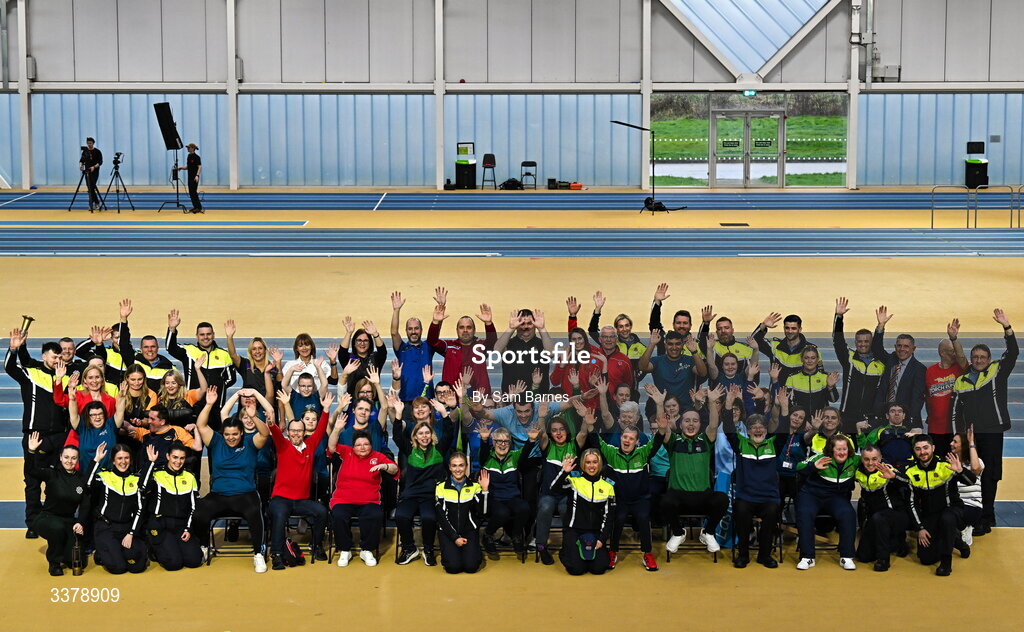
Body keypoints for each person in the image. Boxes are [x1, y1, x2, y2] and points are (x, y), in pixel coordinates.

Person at [951, 308, 1017, 535]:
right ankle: (973, 514)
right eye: (975, 357)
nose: (979, 360)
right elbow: (956, 412)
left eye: (982, 357)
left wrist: (1006, 327)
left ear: (989, 360)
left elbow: (1014, 352)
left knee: (990, 475)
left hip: (992, 432)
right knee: (971, 473)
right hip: (971, 436)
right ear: (971, 359)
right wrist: (958, 435)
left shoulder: (997, 372)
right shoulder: (961, 381)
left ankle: (987, 517)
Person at [193, 387, 272, 573]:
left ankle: (258, 554)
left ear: (241, 433)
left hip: (245, 494)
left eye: (235, 434)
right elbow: (201, 425)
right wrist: (209, 404)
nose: (230, 438)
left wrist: (253, 416)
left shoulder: (250, 443)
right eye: (227, 434)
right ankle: (204, 547)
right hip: (219, 494)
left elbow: (265, 434)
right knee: (199, 511)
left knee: (255, 511)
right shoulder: (216, 441)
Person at [8, 328, 67, 538]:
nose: (58, 360)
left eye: (60, 356)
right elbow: (10, 368)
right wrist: (14, 349)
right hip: (35, 437)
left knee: (57, 481)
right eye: (54, 356)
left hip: (60, 437)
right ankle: (33, 523)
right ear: (44, 357)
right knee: (32, 482)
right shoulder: (32, 374)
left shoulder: (66, 378)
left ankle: (55, 518)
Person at [590, 414, 666, 571]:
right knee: (617, 519)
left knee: (644, 518)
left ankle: (647, 553)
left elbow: (657, 442)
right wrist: (590, 425)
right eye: (625, 437)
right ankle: (613, 551)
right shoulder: (611, 453)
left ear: (637, 442)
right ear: (621, 438)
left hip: (640, 499)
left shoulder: (643, 452)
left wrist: (662, 429)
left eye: (631, 439)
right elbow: (596, 442)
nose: (627, 440)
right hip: (620, 500)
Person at [266, 393, 333, 570]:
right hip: (281, 499)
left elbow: (320, 429)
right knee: (279, 515)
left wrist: (326, 409)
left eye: (299, 431)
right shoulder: (283, 445)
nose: (296, 434)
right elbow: (274, 431)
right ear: (288, 432)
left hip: (302, 500)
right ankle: (277, 555)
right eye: (293, 430)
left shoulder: (310, 445)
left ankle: (317, 545)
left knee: (321, 511)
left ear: (304, 433)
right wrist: (271, 423)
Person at [659, 385, 727, 555]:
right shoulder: (674, 441)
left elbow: (713, 424)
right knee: (664, 500)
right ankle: (678, 532)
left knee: (722, 499)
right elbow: (662, 426)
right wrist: (660, 404)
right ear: (680, 424)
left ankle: (708, 532)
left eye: (695, 421)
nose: (691, 424)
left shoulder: (705, 440)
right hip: (678, 497)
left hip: (702, 496)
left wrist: (711, 402)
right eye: (687, 421)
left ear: (699, 424)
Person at [902, 434, 975, 575]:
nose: (922, 452)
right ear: (914, 451)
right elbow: (911, 503)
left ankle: (946, 563)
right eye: (918, 449)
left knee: (947, 519)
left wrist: (960, 471)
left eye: (925, 448)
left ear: (933, 448)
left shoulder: (946, 464)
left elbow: (971, 482)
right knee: (926, 559)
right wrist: (920, 528)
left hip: (952, 510)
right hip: (930, 515)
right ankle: (958, 542)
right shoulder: (910, 471)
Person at [327, 428, 399, 568]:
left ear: (371, 445)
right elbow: (331, 446)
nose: (362, 447)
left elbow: (394, 469)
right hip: (343, 499)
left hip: (369, 501)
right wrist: (336, 429)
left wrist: (384, 466)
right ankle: (345, 549)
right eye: (358, 445)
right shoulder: (346, 452)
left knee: (374, 514)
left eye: (366, 444)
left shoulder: (377, 456)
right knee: (339, 514)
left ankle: (366, 550)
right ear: (353, 447)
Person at [393, 413, 458, 566]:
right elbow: (396, 437)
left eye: (427, 433)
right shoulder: (410, 450)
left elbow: (449, 432)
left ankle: (428, 550)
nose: (424, 436)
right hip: (410, 495)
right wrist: (397, 415)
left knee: (429, 518)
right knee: (402, 515)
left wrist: (444, 414)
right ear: (415, 436)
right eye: (420, 433)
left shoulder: (439, 450)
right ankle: (409, 549)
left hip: (430, 496)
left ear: (431, 435)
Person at [26, 432, 94, 576]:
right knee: (57, 528)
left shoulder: (81, 479)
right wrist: (31, 452)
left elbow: (85, 504)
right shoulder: (52, 474)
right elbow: (31, 471)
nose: (70, 461)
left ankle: (63, 552)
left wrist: (80, 523)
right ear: (61, 458)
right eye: (67, 457)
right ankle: (54, 563)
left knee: (76, 560)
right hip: (47, 518)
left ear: (77, 460)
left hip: (68, 520)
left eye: (73, 458)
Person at [726, 411, 787, 569]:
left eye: (761, 427)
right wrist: (727, 407)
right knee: (740, 510)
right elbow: (727, 428)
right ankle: (743, 555)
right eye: (754, 427)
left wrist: (785, 410)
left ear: (766, 430)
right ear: (748, 431)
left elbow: (784, 431)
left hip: (768, 498)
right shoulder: (741, 444)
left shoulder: (773, 444)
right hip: (746, 498)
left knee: (773, 511)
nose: (758, 430)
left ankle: (764, 555)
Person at [79, 443, 148, 574]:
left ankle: (116, 550)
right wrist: (96, 460)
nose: (123, 462)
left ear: (131, 460)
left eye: (126, 458)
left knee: (137, 567)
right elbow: (86, 485)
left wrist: (131, 533)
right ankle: (101, 553)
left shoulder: (135, 480)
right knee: (119, 568)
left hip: (126, 528)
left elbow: (140, 509)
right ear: (113, 461)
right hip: (106, 528)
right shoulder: (104, 477)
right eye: (120, 458)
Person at [794, 434, 858, 570]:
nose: (842, 452)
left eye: (844, 449)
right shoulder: (820, 457)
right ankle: (807, 557)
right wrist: (813, 466)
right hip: (811, 495)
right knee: (804, 513)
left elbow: (872, 462)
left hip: (835, 497)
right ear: (831, 450)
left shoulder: (855, 460)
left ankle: (846, 556)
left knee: (848, 514)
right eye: (838, 449)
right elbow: (799, 466)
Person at [140, 442, 203, 571]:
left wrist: (188, 528)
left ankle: (174, 546)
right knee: (174, 564)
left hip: (180, 526)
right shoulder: (157, 474)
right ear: (168, 456)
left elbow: (193, 506)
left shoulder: (190, 477)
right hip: (160, 524)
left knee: (194, 561)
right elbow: (142, 487)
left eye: (181, 458)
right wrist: (151, 463)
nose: (178, 462)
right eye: (175, 457)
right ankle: (153, 547)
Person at [552, 450, 616, 575]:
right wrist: (564, 472)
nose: (591, 466)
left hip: (596, 532)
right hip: (574, 530)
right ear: (583, 464)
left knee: (599, 569)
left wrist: (602, 539)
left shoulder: (608, 485)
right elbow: (554, 489)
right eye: (588, 462)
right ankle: (566, 550)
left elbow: (609, 516)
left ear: (599, 463)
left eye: (594, 462)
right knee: (576, 570)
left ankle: (585, 555)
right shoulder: (574, 480)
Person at [476, 425, 535, 558]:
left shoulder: (514, 456)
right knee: (502, 512)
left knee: (525, 508)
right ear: (494, 442)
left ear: (510, 443)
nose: (502, 445)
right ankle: (488, 534)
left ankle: (515, 535)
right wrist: (484, 440)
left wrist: (531, 440)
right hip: (494, 498)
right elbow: (483, 452)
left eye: (506, 441)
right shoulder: (486, 457)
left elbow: (525, 452)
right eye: (499, 441)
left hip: (512, 497)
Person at [426, 288, 497, 395]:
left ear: (474, 330)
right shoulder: (449, 346)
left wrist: (488, 324)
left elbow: (492, 343)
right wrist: (436, 322)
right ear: (457, 330)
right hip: (452, 398)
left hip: (479, 399)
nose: (465, 330)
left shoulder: (481, 346)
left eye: (469, 327)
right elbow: (432, 342)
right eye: (461, 327)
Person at [832, 298, 886, 433]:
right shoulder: (849, 358)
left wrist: (880, 327)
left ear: (871, 342)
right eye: (860, 342)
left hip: (871, 417)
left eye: (866, 341)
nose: (863, 344)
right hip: (847, 416)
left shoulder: (881, 363)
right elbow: (837, 340)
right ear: (855, 343)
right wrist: (839, 317)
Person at [569, 292, 646, 385]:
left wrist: (637, 377)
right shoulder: (610, 342)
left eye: (627, 326)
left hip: (625, 391)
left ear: (631, 326)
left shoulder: (641, 347)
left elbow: (646, 365)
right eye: (621, 326)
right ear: (616, 329)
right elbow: (589, 331)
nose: (624, 329)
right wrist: (597, 310)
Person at [854, 445, 909, 572]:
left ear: (880, 458)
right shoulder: (858, 471)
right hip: (874, 519)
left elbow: (908, 482)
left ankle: (883, 560)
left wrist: (894, 477)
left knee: (880, 518)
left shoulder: (887, 469)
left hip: (896, 515)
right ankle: (894, 542)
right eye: (866, 459)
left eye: (874, 459)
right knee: (863, 556)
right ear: (862, 459)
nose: (870, 463)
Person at [166, 309, 237, 407]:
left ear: (213, 335)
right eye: (202, 334)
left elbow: (231, 379)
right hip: (193, 404)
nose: (205, 337)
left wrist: (219, 387)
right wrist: (172, 329)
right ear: (197, 336)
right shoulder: (189, 351)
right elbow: (170, 348)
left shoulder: (224, 354)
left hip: (216, 405)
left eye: (208, 334)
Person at [435, 452, 488, 574]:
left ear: (466, 466)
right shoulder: (441, 487)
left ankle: (471, 553)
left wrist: (485, 491)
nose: (457, 469)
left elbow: (482, 512)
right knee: (453, 568)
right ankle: (453, 552)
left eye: (461, 465)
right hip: (448, 533)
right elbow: (441, 517)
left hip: (468, 531)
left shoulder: (475, 486)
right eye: (454, 466)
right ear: (449, 467)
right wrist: (455, 538)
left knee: (471, 567)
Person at [872, 306, 926, 426]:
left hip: (905, 421)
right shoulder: (890, 359)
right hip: (884, 418)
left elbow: (917, 398)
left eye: (906, 346)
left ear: (913, 349)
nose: (902, 349)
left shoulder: (919, 369)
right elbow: (876, 349)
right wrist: (880, 326)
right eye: (899, 345)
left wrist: (909, 420)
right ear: (895, 347)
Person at [925, 319, 968, 455]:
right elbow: (927, 396)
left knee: (954, 462)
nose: (955, 354)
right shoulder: (930, 371)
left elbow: (961, 356)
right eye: (952, 351)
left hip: (955, 428)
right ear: (943, 353)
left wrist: (954, 339)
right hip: (935, 427)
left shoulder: (960, 368)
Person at [639, 329, 707, 415]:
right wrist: (652, 344)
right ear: (665, 345)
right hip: (663, 410)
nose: (674, 347)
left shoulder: (689, 360)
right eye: (670, 344)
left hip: (686, 411)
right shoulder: (657, 361)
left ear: (682, 345)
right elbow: (642, 367)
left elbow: (703, 373)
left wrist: (694, 351)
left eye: (678, 344)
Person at [390, 290, 441, 403]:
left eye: (416, 328)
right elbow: (394, 332)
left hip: (426, 400)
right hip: (405, 400)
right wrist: (396, 310)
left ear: (421, 330)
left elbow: (436, 330)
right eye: (410, 329)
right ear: (406, 331)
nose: (413, 331)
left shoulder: (429, 346)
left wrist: (441, 307)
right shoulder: (401, 348)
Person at [115, 299, 175, 392]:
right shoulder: (134, 362)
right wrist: (123, 319)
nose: (149, 350)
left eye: (153, 346)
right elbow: (124, 344)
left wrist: (172, 329)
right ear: (141, 349)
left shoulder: (169, 368)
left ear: (158, 348)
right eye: (146, 347)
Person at [67, 382, 125, 468]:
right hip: (86, 475)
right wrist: (72, 400)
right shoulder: (82, 427)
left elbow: (120, 412)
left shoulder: (111, 425)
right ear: (88, 416)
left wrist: (122, 397)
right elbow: (73, 415)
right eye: (93, 415)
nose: (97, 417)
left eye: (100, 414)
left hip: (107, 476)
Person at [752, 312, 812, 385]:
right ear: (784, 328)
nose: (790, 331)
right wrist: (763, 325)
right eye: (787, 328)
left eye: (793, 328)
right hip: (776, 393)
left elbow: (819, 375)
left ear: (800, 329)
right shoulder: (775, 346)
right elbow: (753, 341)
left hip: (800, 395)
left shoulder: (811, 350)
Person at [224, 319, 277, 398]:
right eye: (254, 349)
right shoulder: (246, 365)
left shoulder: (272, 367)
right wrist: (229, 337)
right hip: (248, 407)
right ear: (250, 352)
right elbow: (233, 355)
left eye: (260, 348)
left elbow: (280, 385)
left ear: (265, 350)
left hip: (267, 408)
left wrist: (278, 362)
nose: (257, 351)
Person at [698, 306, 755, 376]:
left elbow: (752, 372)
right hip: (717, 386)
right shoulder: (711, 346)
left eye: (726, 328)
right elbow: (702, 341)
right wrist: (706, 324)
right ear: (716, 332)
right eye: (719, 329)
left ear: (732, 330)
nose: (723, 331)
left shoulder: (746, 348)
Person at [856, 402, 921, 464]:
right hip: (885, 466)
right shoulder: (879, 431)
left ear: (904, 415)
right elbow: (865, 447)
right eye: (892, 411)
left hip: (908, 467)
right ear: (887, 415)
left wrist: (919, 436)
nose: (896, 414)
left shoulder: (911, 431)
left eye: (900, 411)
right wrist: (859, 430)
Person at [338, 319, 388, 399]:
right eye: (359, 340)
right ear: (354, 343)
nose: (362, 343)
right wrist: (349, 333)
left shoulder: (375, 357)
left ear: (370, 343)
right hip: (353, 401)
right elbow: (342, 352)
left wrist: (375, 334)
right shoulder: (349, 359)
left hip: (373, 401)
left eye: (365, 341)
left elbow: (382, 351)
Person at [950, 429, 984, 543]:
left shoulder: (976, 462)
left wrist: (971, 443)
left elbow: (975, 469)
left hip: (971, 507)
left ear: (963, 445)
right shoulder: (949, 463)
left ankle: (964, 528)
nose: (951, 444)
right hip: (955, 505)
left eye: (955, 442)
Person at [785, 346, 839, 416]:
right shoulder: (792, 377)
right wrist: (803, 421)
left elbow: (833, 400)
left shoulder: (826, 377)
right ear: (801, 359)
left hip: (820, 421)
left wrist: (830, 387)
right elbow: (788, 403)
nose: (809, 361)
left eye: (813, 358)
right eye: (806, 358)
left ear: (817, 359)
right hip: (800, 420)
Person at [175, 142, 203, 213]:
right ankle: (195, 206)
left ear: (193, 148)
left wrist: (197, 175)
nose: (187, 149)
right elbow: (188, 167)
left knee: (194, 192)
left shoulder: (197, 157)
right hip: (189, 177)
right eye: (187, 148)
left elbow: (199, 167)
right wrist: (181, 168)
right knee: (191, 193)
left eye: (189, 147)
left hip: (194, 177)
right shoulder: (188, 156)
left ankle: (199, 207)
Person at [79, 137, 103, 210]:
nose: (89, 144)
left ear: (93, 143)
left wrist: (94, 167)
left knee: (92, 187)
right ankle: (96, 203)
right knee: (89, 187)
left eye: (90, 143)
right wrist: (81, 165)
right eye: (88, 143)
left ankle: (92, 203)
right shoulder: (85, 151)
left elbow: (100, 162)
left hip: (95, 172)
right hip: (87, 172)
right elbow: (81, 160)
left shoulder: (97, 151)